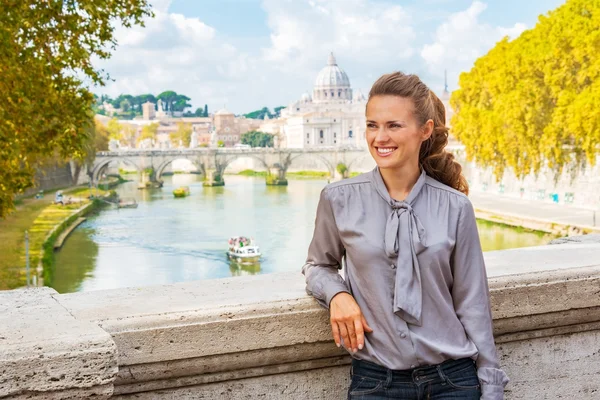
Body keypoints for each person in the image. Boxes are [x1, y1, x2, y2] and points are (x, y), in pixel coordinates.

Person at [302, 72, 508, 399]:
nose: (380, 137)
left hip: (453, 381)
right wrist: (337, 295)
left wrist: (492, 385)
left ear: (425, 130)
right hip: (375, 383)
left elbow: (474, 304)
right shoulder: (338, 199)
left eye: (394, 125)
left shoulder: (455, 207)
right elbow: (318, 265)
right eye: (372, 125)